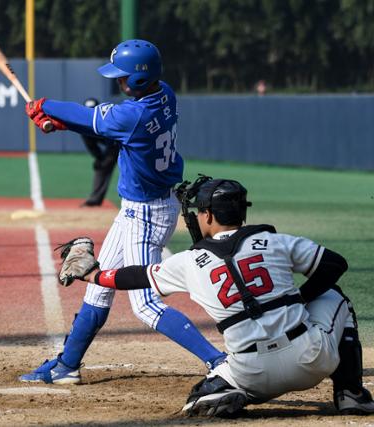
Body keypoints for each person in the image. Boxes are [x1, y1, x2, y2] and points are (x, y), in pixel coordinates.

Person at [58, 175, 374, 417]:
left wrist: (94, 275)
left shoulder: (189, 261)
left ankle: (218, 392)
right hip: (310, 360)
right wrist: (302, 299)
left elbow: (136, 275)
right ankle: (350, 393)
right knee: (336, 298)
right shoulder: (274, 241)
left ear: (208, 216)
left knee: (200, 393)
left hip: (251, 372)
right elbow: (334, 264)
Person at [21, 40, 226, 384]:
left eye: (124, 77)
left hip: (146, 214)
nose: (119, 82)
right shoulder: (165, 94)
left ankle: (218, 361)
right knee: (98, 288)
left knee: (145, 305)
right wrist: (62, 123)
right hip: (145, 207)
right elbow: (106, 125)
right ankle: (67, 365)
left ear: (140, 80)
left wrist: (45, 106)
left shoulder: (134, 114)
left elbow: (98, 119)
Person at [79, 98, 119, 207]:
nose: (90, 113)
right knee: (101, 166)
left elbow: (113, 141)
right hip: (113, 146)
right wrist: (99, 157)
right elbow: (91, 146)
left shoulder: (107, 120)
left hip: (124, 143)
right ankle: (94, 200)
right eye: (88, 111)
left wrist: (104, 158)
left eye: (92, 110)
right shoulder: (83, 125)